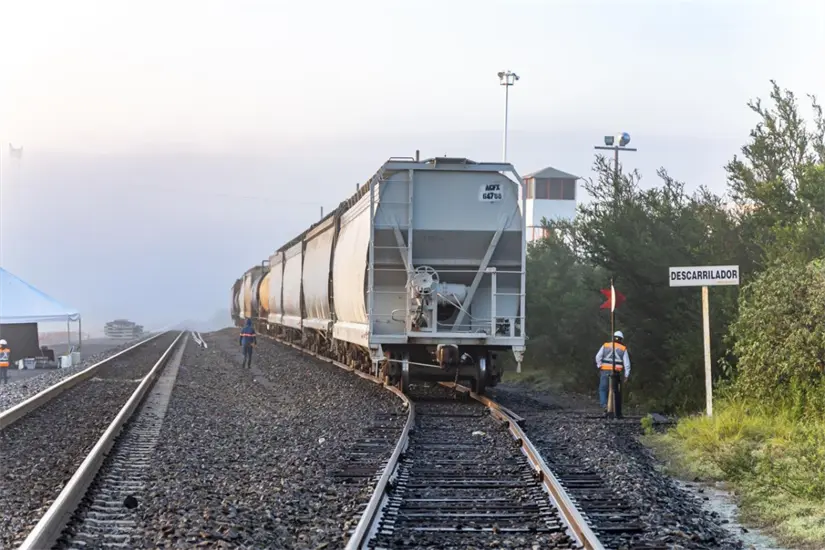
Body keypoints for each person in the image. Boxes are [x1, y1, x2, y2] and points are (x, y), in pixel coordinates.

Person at [594, 330, 631, 418]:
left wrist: (599, 366)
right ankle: (615, 409)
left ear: (613, 338)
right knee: (615, 391)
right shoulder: (623, 349)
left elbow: (597, 357)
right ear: (621, 339)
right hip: (616, 373)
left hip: (605, 371)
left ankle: (605, 406)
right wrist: (626, 375)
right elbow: (627, 364)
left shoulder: (606, 345)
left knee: (603, 389)